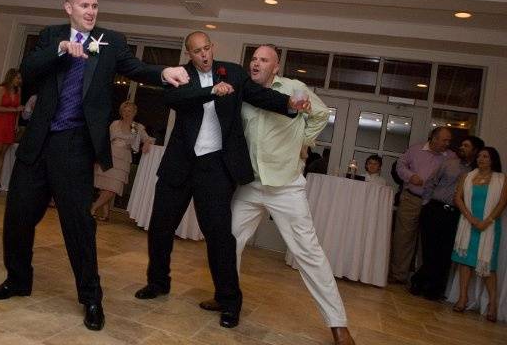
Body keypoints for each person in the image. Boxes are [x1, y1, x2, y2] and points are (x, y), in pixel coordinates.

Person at [0, 0, 189, 332]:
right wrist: (61, 49)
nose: (91, 11)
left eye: (95, 6)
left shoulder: (111, 41)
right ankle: (17, 281)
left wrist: (164, 73)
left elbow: (136, 68)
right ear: (68, 8)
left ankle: (91, 297)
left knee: (78, 225)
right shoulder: (51, 36)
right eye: (84, 5)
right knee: (17, 216)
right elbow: (29, 70)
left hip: (75, 145)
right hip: (38, 143)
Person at [134, 32, 307, 329]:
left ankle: (229, 301)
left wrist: (289, 103)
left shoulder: (234, 73)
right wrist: (212, 90)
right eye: (197, 51)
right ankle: (158, 283)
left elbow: (259, 95)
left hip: (215, 169)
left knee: (220, 238)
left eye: (207, 49)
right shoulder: (180, 75)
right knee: (161, 227)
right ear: (189, 53)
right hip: (179, 165)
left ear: (213, 48)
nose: (203, 55)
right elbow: (175, 99)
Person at [198, 45, 354, 344]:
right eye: (253, 58)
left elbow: (320, 115)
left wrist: (302, 141)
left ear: (276, 67)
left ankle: (337, 323)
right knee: (227, 242)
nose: (256, 63)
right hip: (251, 184)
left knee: (307, 252)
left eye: (263, 60)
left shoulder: (294, 88)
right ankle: (225, 295)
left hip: (286, 186)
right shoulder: (243, 89)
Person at [410, 136, 484, 300]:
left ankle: (434, 289)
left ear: (475, 151)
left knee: (444, 252)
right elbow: (431, 182)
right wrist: (426, 203)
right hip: (435, 209)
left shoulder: (476, 173)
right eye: (462, 144)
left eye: (466, 145)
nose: (462, 147)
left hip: (455, 214)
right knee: (429, 249)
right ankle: (419, 282)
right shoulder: (449, 163)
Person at [389, 126, 455, 284]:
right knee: (403, 238)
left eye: (449, 141)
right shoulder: (415, 150)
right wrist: (410, 176)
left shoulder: (451, 157)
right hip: (411, 198)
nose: (447, 143)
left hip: (433, 204)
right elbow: (400, 165)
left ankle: (421, 279)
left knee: (428, 241)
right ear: (434, 138)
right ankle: (398, 275)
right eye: (445, 140)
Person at [451, 147, 506, 322]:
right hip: (469, 224)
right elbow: (458, 198)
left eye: (486, 157)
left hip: (489, 227)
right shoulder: (467, 177)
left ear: (493, 160)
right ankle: (463, 298)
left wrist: (486, 221)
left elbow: (502, 202)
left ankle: (492, 304)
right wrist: (471, 219)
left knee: (488, 266)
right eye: (480, 156)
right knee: (465, 262)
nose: (481, 159)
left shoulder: (501, 179)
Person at [92, 101, 152, 221]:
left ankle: (92, 208)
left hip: (123, 159)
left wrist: (146, 143)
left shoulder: (135, 127)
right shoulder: (115, 123)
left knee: (113, 187)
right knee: (106, 187)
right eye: (124, 110)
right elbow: (104, 139)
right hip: (109, 155)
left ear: (134, 112)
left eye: (129, 111)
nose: (126, 113)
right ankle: (106, 214)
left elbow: (147, 138)